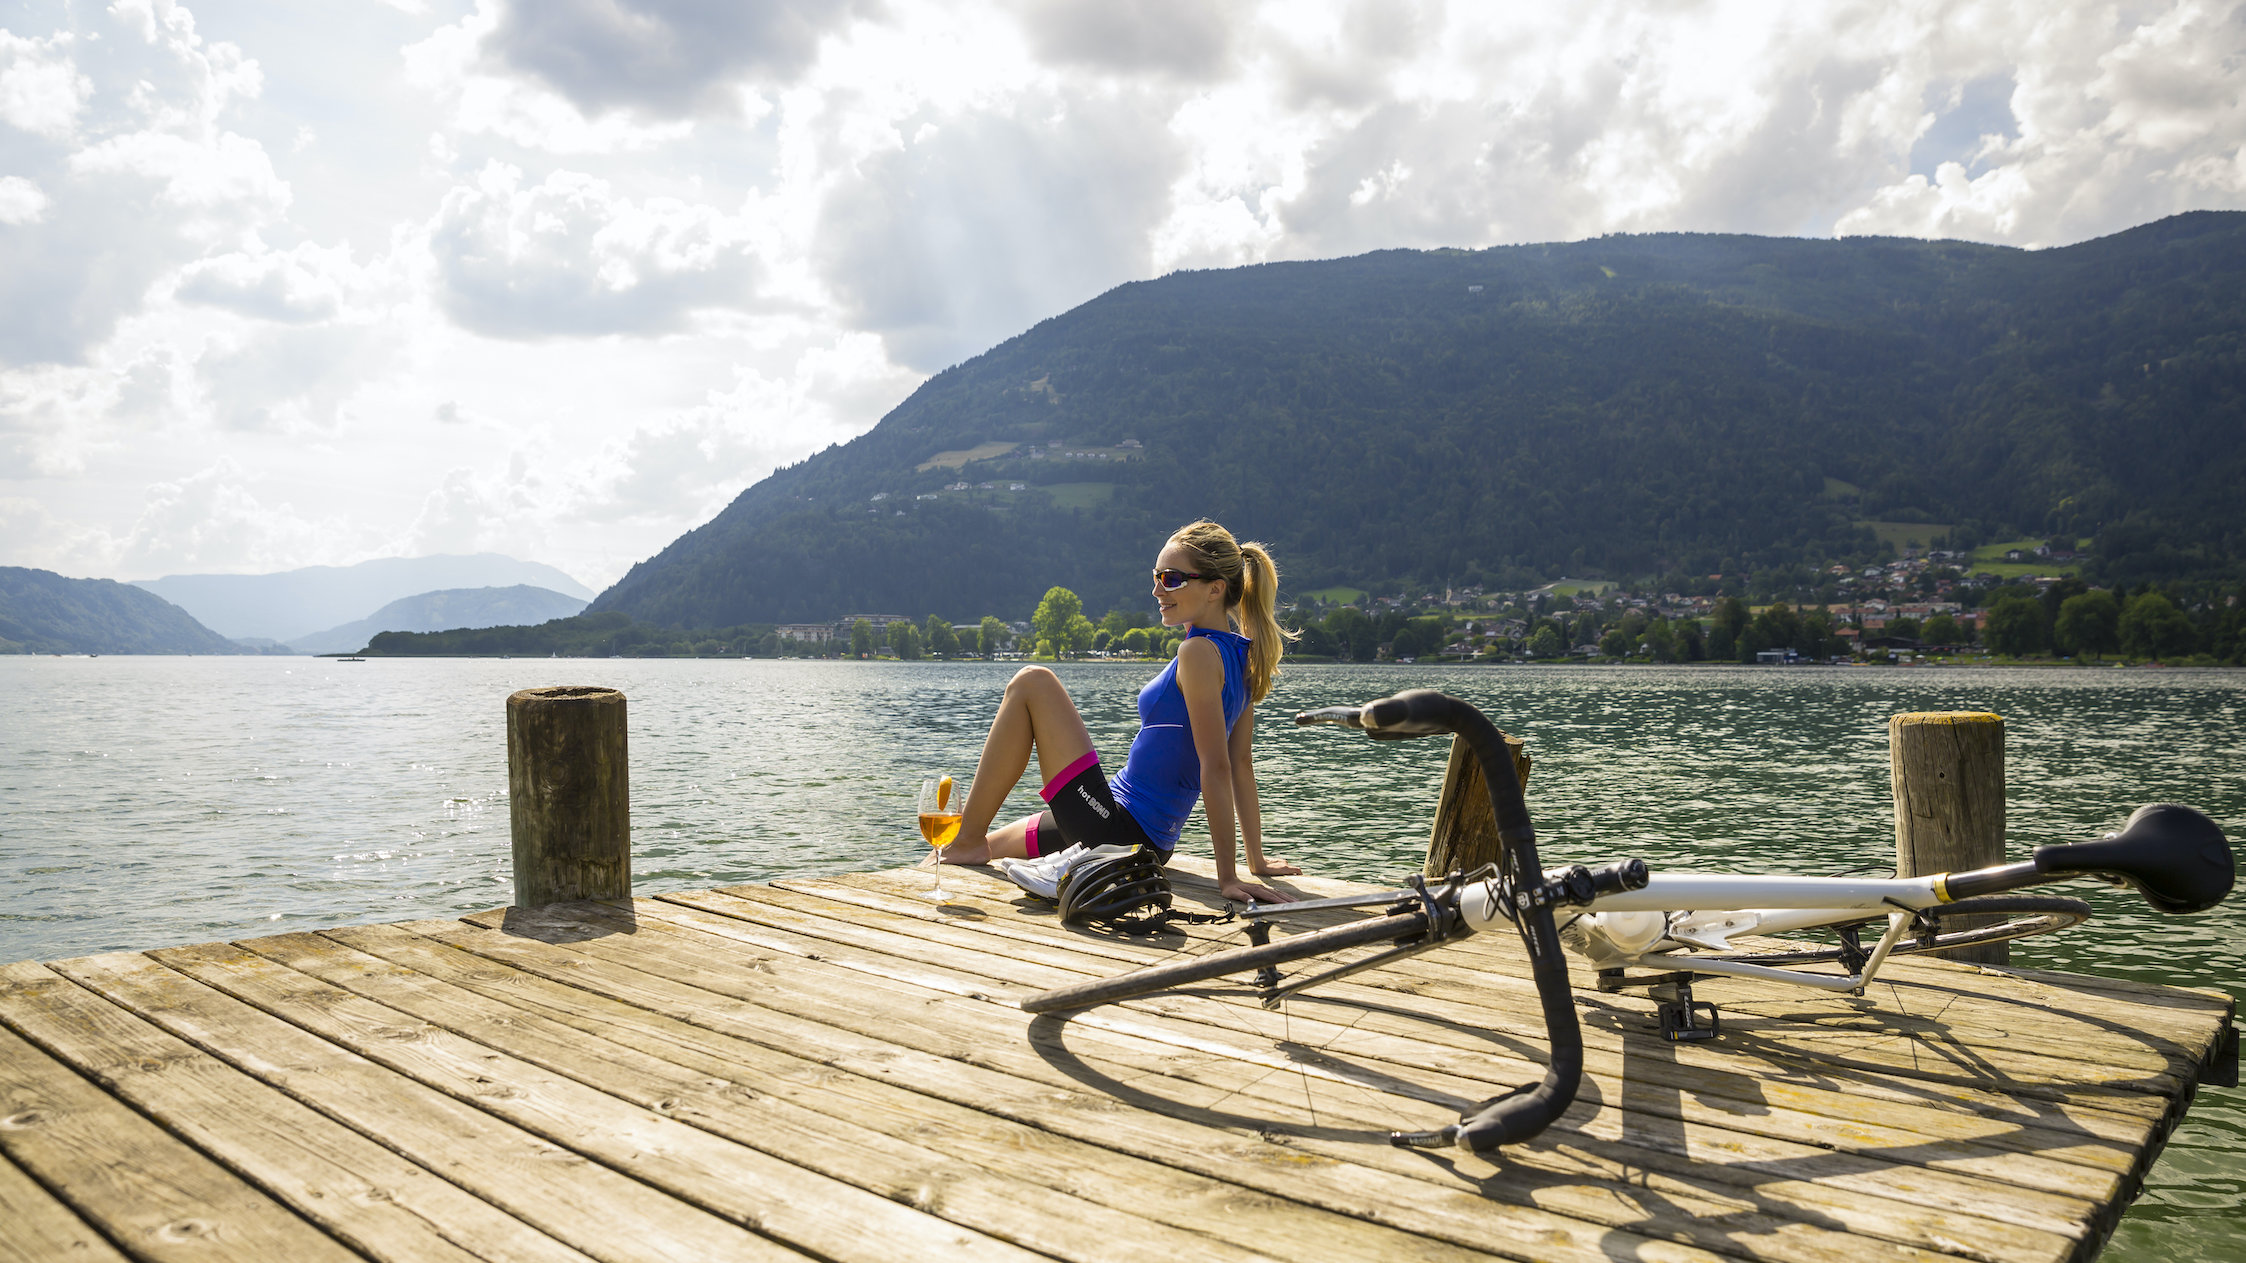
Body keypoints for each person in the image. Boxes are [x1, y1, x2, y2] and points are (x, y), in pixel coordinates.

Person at [939, 520, 1301, 905]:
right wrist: (1255, 860)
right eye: (1157, 576)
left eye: (1172, 578)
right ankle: (968, 842)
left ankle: (966, 838)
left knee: (1033, 681)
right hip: (1131, 830)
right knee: (982, 849)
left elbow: (1219, 766)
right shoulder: (1242, 655)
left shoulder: (1197, 654)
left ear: (1215, 588)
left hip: (1119, 832)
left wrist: (1227, 878)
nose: (1157, 589)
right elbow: (1241, 762)